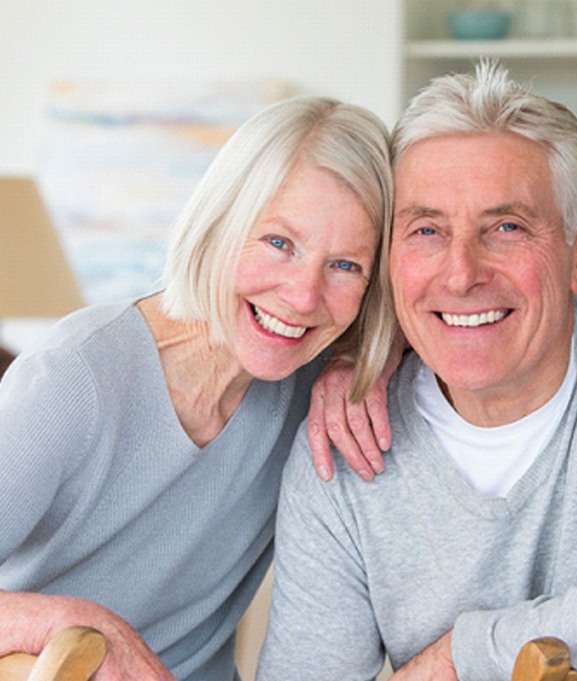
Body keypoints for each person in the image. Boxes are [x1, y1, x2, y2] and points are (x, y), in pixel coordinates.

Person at [256, 61, 577, 681]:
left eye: (508, 227)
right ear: (389, 260)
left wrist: (465, 655)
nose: (461, 273)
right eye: (427, 229)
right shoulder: (342, 449)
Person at [0, 95, 393, 681]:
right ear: (219, 223)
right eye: (278, 243)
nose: (303, 296)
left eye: (345, 266)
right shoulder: (73, 378)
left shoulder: (310, 381)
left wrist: (369, 359)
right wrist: (70, 620)